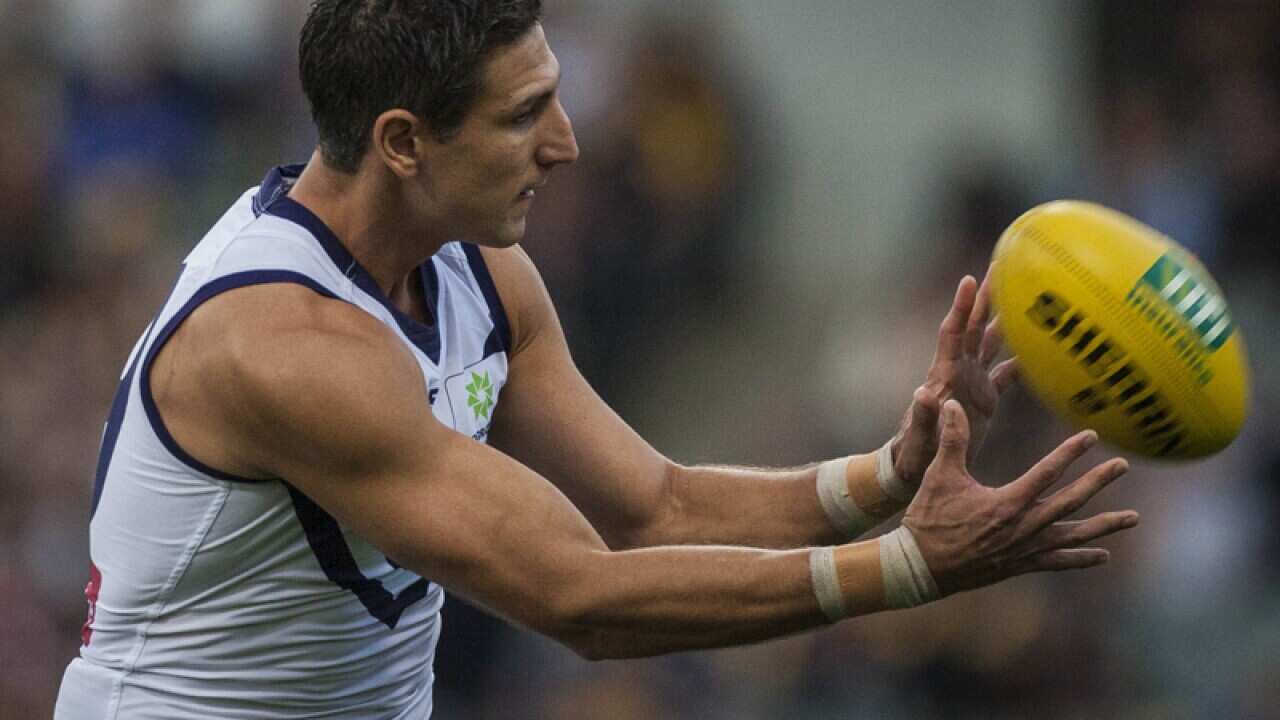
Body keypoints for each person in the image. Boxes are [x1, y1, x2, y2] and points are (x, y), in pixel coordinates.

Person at [54, 1, 1139, 718]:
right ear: (400, 142)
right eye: (525, 115)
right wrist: (910, 569)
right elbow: (582, 601)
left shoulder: (477, 268)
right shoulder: (284, 347)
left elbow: (654, 508)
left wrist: (887, 480)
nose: (568, 142)